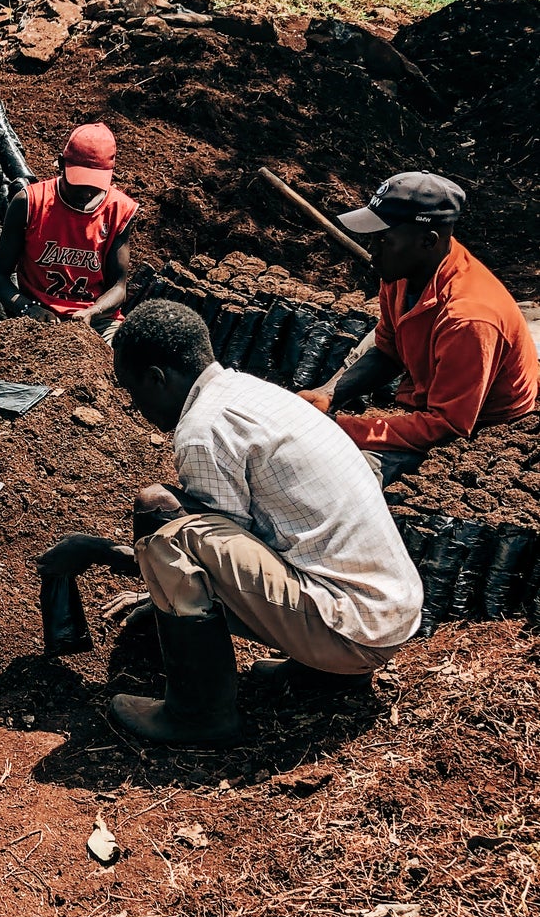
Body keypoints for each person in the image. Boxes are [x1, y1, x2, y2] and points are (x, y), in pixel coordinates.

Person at [40, 300, 423, 746]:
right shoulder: (252, 393)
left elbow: (204, 553)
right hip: (385, 615)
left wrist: (100, 553)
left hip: (350, 632)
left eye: (132, 391)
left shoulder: (203, 428)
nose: (134, 405)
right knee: (174, 524)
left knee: (170, 535)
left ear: (157, 379)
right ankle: (321, 671)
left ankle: (199, 714)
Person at [301, 172, 538, 484]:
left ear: (428, 241)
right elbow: (388, 349)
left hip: (479, 423)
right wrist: (329, 394)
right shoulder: (400, 272)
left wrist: (341, 428)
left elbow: (447, 425)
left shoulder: (469, 318)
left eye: (384, 239)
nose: (373, 250)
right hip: (436, 396)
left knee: (344, 475)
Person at [0, 122, 138, 332]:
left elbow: (118, 287)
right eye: (79, 184)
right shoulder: (30, 203)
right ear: (61, 163)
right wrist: (28, 308)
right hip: (36, 318)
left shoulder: (119, 210)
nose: (86, 193)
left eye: (94, 186)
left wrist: (92, 312)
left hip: (97, 322)